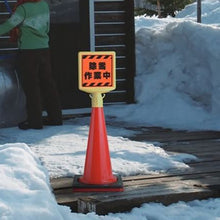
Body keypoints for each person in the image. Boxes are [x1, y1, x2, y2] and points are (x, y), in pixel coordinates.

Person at [0, 0, 63, 129]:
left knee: (31, 87)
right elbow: (47, 26)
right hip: (44, 49)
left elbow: (9, 25)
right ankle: (55, 118)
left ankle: (35, 122)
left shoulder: (23, 9)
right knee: (48, 84)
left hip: (28, 52)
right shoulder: (43, 4)